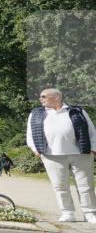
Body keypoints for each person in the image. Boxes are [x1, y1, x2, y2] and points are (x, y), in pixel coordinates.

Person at [27, 88, 96, 223]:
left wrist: (93, 149)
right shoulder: (36, 114)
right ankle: (67, 213)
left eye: (43, 96)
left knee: (85, 186)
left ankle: (90, 213)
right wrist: (35, 149)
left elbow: (92, 131)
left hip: (81, 153)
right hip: (51, 155)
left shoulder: (77, 111)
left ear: (57, 97)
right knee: (60, 186)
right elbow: (30, 134)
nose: (40, 99)